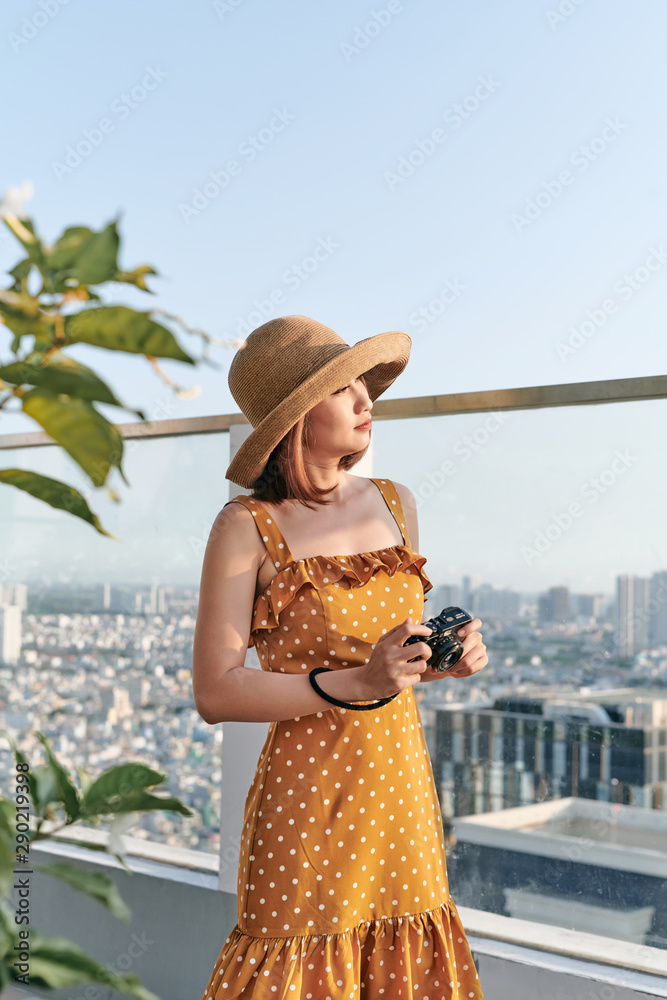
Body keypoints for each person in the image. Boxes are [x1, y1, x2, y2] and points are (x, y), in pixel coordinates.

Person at [193, 314, 487, 999]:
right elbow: (216, 691)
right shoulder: (245, 528)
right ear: (296, 418)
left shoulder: (396, 503)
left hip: (399, 793)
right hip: (309, 799)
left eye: (364, 387)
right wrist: (357, 679)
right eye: (343, 390)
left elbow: (392, 661)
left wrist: (445, 658)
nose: (365, 403)